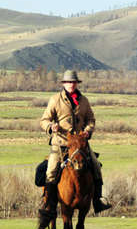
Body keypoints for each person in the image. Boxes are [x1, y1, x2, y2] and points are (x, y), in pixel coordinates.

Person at [39, 70, 111, 220]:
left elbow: (91, 119)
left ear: (77, 83)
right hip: (61, 143)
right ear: (64, 84)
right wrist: (51, 126)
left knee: (96, 167)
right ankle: (48, 203)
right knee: (51, 170)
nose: (71, 84)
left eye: (74, 82)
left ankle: (97, 201)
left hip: (80, 144)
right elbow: (44, 120)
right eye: (68, 82)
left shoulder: (84, 101)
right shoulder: (55, 100)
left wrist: (87, 131)